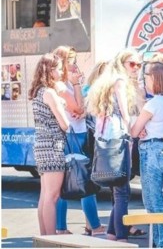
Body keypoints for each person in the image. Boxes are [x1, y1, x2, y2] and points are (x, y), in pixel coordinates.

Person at [87, 49, 142, 243]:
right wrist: (134, 132)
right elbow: (126, 115)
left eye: (139, 65)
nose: (136, 68)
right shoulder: (120, 82)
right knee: (122, 192)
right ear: (122, 63)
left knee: (119, 190)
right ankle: (121, 237)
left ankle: (112, 234)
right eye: (132, 64)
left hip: (107, 138)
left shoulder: (108, 83)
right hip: (119, 138)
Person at [52, 46, 105, 236]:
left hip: (78, 133)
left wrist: (78, 98)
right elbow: (78, 107)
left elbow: (82, 110)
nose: (74, 65)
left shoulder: (66, 83)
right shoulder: (60, 85)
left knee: (77, 180)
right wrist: (75, 85)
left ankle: (84, 225)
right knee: (80, 179)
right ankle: (89, 225)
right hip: (72, 135)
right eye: (70, 61)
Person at [130, 61, 163, 248]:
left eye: (147, 75)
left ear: (155, 78)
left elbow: (134, 131)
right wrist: (145, 129)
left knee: (151, 200)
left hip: (151, 151)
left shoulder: (153, 103)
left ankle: (160, 241)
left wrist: (139, 128)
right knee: (156, 196)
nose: (145, 79)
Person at [29, 53, 70, 235]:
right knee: (53, 196)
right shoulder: (50, 92)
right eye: (59, 68)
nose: (62, 72)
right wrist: (63, 105)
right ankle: (51, 240)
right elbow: (65, 124)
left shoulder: (38, 91)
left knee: (45, 196)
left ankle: (44, 239)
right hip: (53, 146)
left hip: (41, 145)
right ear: (50, 70)